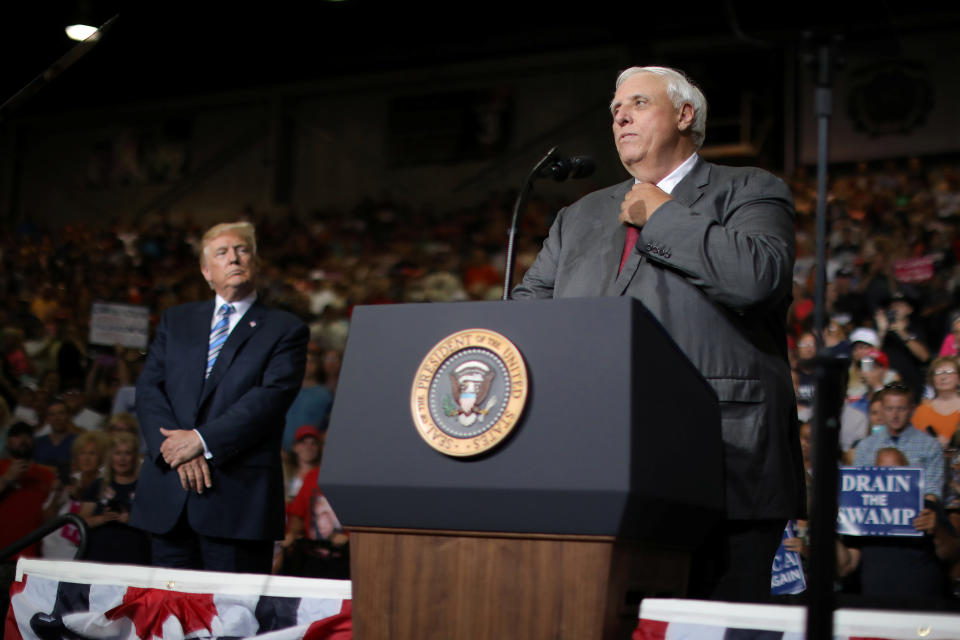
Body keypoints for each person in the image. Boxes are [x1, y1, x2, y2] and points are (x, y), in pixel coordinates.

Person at [512, 65, 803, 601]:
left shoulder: (751, 190)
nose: (620, 115)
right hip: (598, 463)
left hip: (725, 461)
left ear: (685, 114)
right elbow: (529, 311)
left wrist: (663, 216)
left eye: (639, 103)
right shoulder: (579, 216)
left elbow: (756, 279)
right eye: (615, 109)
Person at [130, 221, 308, 573]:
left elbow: (270, 399)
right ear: (206, 270)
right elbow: (149, 388)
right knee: (167, 617)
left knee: (231, 619)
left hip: (237, 500)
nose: (234, 258)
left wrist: (202, 440)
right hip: (169, 493)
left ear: (255, 262)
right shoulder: (176, 320)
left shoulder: (285, 328)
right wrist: (176, 450)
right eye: (222, 253)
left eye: (243, 250)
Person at [853, 384, 944, 500]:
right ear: (882, 409)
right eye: (889, 409)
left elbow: (932, 491)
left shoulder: (930, 446)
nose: (895, 415)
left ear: (912, 409)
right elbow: (858, 491)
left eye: (901, 409)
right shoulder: (865, 447)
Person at [79, 432, 150, 564]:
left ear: (135, 457)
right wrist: (102, 518)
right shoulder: (98, 485)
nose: (122, 458)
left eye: (127, 453)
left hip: (134, 557)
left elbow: (155, 522)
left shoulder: (145, 487)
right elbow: (81, 521)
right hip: (97, 557)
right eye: (117, 453)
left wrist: (131, 519)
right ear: (110, 457)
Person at [0, 422, 56, 558]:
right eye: (17, 436)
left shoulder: (47, 474)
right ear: (8, 441)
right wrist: (7, 478)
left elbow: (50, 517)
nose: (23, 440)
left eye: (27, 436)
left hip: (32, 554)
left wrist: (58, 495)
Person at [913, 357, 960, 446]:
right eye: (938, 373)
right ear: (932, 379)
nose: (943, 377)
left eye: (949, 372)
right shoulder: (921, 411)